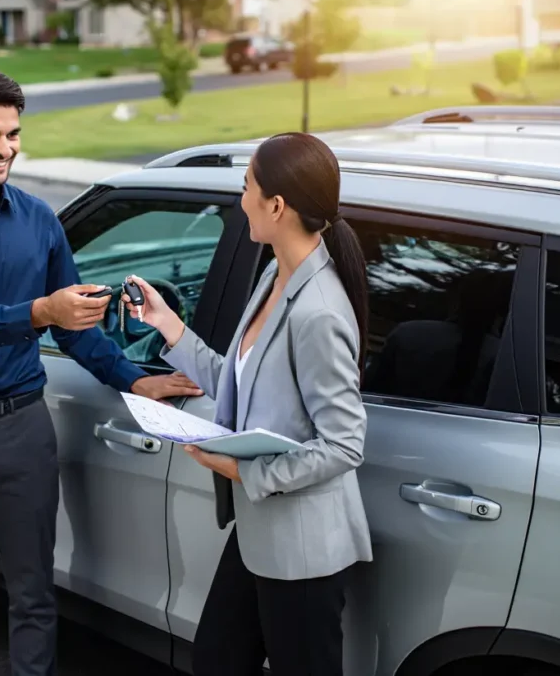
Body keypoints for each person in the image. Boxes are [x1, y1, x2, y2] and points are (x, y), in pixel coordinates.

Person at [0, 64, 201, 676]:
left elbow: (71, 325)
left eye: (13, 134)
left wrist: (134, 378)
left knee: (33, 594)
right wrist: (39, 310)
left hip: (23, 427)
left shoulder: (39, 220)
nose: (5, 149)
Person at [122, 131, 372, 676]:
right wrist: (166, 323)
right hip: (261, 529)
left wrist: (240, 469)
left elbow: (345, 445)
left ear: (276, 206)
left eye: (246, 188)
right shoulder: (273, 275)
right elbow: (235, 377)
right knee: (216, 660)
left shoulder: (320, 313)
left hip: (303, 548)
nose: (240, 200)